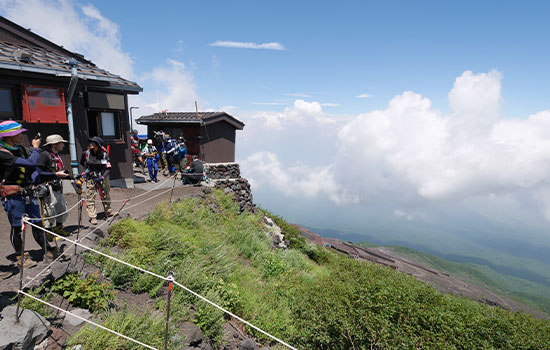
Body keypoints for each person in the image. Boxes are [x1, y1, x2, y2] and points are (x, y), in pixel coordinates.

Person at [0, 120, 58, 268]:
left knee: (38, 223)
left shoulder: (19, 149)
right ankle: (21, 257)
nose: (22, 136)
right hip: (13, 195)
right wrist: (36, 148)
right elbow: (30, 163)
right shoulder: (2, 153)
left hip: (28, 192)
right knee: (17, 227)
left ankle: (48, 250)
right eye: (19, 133)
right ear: (9, 136)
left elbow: (33, 168)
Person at [36, 134, 70, 236]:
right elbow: (38, 172)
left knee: (62, 208)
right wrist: (55, 174)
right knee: (49, 210)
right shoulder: (44, 155)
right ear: (54, 144)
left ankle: (59, 228)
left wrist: (71, 177)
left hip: (58, 186)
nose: (63, 145)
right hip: (48, 187)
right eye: (61, 143)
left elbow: (59, 171)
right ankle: (48, 233)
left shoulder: (57, 156)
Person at [80, 136, 113, 225]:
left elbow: (108, 168)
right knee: (90, 196)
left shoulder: (104, 154)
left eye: (93, 143)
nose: (90, 144)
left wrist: (102, 177)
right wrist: (88, 171)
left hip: (103, 176)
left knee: (105, 194)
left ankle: (108, 211)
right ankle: (92, 217)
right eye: (90, 142)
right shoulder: (86, 153)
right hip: (91, 178)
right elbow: (82, 162)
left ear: (98, 145)